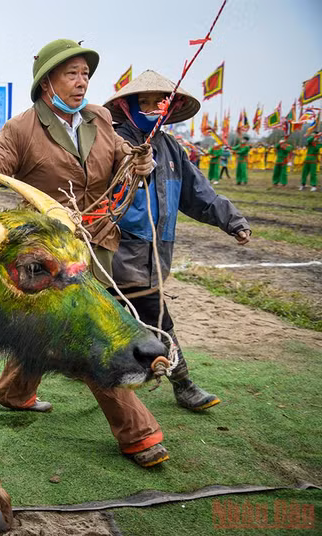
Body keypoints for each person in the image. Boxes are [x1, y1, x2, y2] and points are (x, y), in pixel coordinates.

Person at [0, 39, 167, 467]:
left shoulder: (101, 118)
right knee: (88, 335)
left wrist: (140, 163)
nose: (82, 82)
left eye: (86, 74)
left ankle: (14, 391)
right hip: (47, 257)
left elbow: (123, 159)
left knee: (51, 329)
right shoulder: (22, 129)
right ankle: (138, 433)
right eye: (72, 74)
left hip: (97, 242)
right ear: (47, 81)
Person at [104, 70, 251, 411]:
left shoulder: (172, 149)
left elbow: (199, 194)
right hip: (117, 252)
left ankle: (16, 387)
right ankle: (183, 384)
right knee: (157, 320)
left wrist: (233, 221)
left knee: (103, 323)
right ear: (126, 107)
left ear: (170, 107)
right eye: (144, 102)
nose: (152, 108)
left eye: (159, 102)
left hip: (155, 254)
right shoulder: (113, 144)